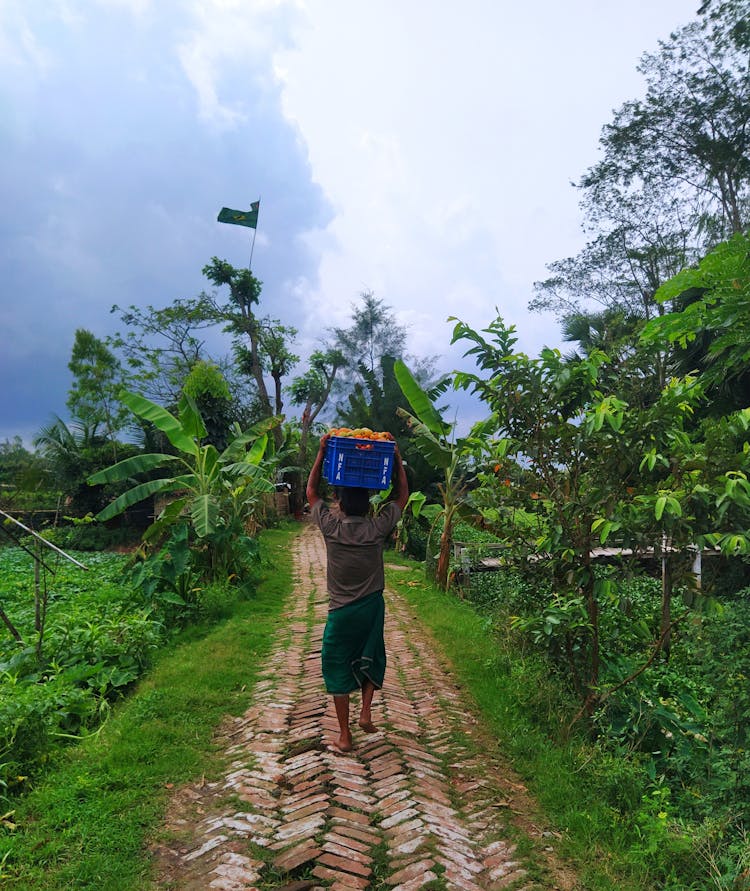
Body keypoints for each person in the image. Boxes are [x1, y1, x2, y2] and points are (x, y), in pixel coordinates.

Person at [306, 433, 409, 752]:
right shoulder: (377, 528)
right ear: (368, 505)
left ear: (339, 503)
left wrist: (322, 452)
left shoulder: (331, 528)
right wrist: (395, 456)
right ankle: (365, 712)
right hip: (371, 606)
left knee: (336, 661)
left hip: (341, 611)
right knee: (371, 654)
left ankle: (345, 735)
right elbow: (402, 495)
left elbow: (310, 492)